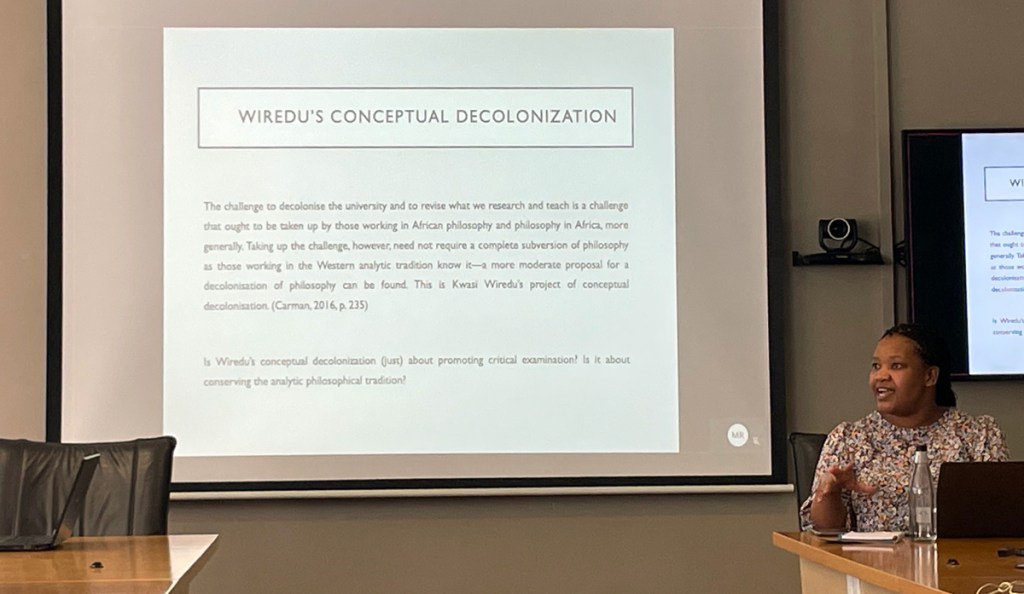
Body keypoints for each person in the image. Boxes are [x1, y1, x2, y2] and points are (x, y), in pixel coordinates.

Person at [800, 323, 1008, 532]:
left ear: (929, 376)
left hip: (956, 553)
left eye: (896, 366)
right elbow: (823, 531)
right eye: (876, 366)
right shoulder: (849, 438)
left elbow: (1002, 515)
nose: (881, 376)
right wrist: (829, 493)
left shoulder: (979, 434)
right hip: (873, 554)